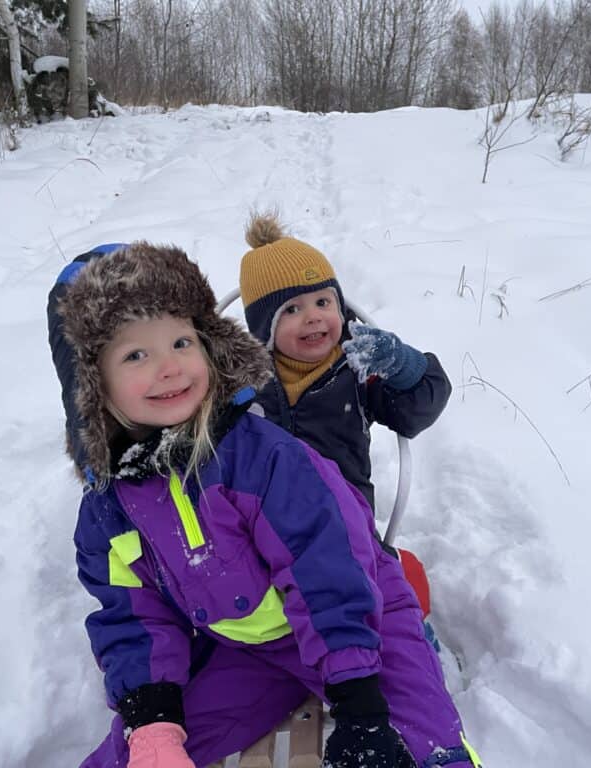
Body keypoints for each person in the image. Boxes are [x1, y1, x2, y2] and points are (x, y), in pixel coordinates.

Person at [52, 242, 480, 768]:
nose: (169, 367)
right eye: (136, 354)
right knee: (130, 757)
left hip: (359, 616)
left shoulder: (261, 456)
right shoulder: (109, 510)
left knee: (423, 746)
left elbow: (326, 564)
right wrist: (153, 721)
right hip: (249, 648)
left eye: (182, 341)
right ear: (92, 386)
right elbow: (133, 616)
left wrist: (360, 703)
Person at [238, 214, 452, 625]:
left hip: (345, 524)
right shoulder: (244, 381)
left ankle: (399, 642)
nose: (315, 317)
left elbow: (416, 412)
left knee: (380, 594)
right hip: (264, 529)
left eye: (324, 302)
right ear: (265, 325)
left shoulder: (356, 366)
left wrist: (403, 367)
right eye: (293, 309)